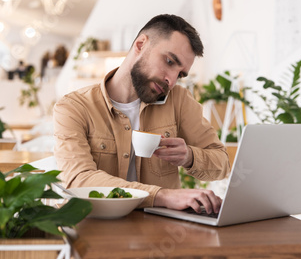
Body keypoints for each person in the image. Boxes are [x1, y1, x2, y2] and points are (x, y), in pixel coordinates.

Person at [53, 14, 230, 214]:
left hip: (161, 232)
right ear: (140, 44)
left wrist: (189, 156)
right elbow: (79, 180)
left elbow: (222, 162)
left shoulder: (178, 100)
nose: (171, 81)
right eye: (170, 61)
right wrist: (162, 196)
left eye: (180, 74)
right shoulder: (74, 107)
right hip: (97, 229)